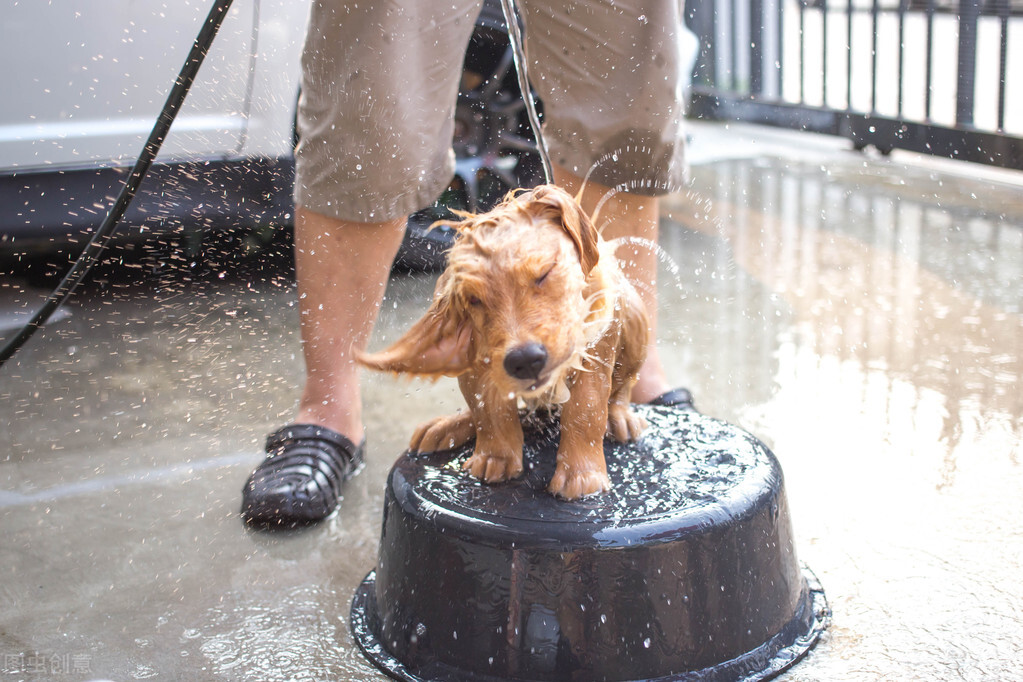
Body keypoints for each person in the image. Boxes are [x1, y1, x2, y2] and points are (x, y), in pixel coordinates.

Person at [241, 0, 696, 526]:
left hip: (606, 346)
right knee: (371, 107)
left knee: (626, 99)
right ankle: (328, 408)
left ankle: (633, 381)